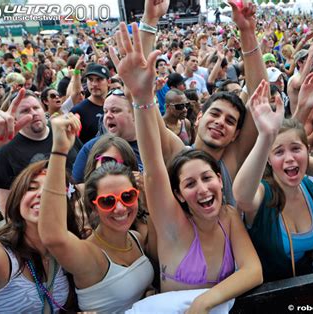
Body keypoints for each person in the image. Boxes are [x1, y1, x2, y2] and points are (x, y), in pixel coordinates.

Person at [111, 21, 262, 312]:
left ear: (220, 179)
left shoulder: (229, 210)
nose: (203, 188)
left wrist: (247, 32)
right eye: (190, 183)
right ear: (177, 192)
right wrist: (142, 95)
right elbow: (153, 159)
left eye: (207, 178)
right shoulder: (172, 209)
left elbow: (259, 97)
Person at [233, 80, 313, 286]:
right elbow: (241, 197)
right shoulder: (262, 193)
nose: (289, 158)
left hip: (307, 296)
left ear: (306, 150)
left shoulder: (312, 189)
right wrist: (266, 136)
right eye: (279, 152)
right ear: (268, 158)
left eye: (295, 148)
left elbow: (310, 247)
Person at [38, 113, 154, 312]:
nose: (120, 208)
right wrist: (58, 151)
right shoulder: (89, 255)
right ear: (93, 205)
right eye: (107, 201)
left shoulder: (136, 237)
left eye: (127, 197)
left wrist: (148, 294)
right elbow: (53, 237)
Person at [0, 160, 83, 312]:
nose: (42, 193)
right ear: (18, 199)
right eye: (31, 188)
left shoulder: (63, 253)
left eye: (53, 189)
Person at [0, 89, 81, 216]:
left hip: (76, 213)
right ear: (15, 119)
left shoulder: (63, 132)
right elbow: (5, 200)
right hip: (38, 221)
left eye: (36, 107)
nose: (34, 113)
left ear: (43, 109)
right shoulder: (5, 152)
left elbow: (84, 171)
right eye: (25, 111)